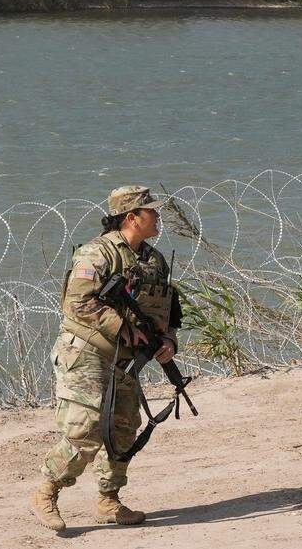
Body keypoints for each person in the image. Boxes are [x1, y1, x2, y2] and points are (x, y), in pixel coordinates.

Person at [31, 186, 178, 532]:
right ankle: (46, 491)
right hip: (86, 352)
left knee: (124, 427)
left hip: (125, 359)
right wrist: (121, 326)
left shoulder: (153, 260)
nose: (157, 216)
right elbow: (76, 303)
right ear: (131, 218)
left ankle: (108, 501)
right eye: (151, 211)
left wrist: (168, 339)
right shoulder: (96, 254)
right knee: (86, 430)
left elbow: (167, 308)